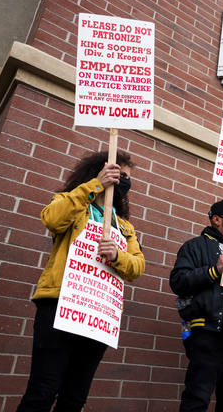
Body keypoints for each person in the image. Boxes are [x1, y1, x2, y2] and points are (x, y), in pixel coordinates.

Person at [16, 150, 146, 412]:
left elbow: (137, 267)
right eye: (120, 175)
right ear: (101, 171)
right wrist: (96, 184)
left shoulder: (124, 227)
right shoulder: (72, 202)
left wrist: (117, 255)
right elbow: (52, 218)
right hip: (61, 306)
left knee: (74, 399)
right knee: (42, 393)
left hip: (99, 314)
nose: (124, 182)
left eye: (128, 179)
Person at [169, 199, 223, 412]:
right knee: (196, 400)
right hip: (207, 336)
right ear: (216, 219)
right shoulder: (194, 246)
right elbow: (178, 281)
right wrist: (214, 270)